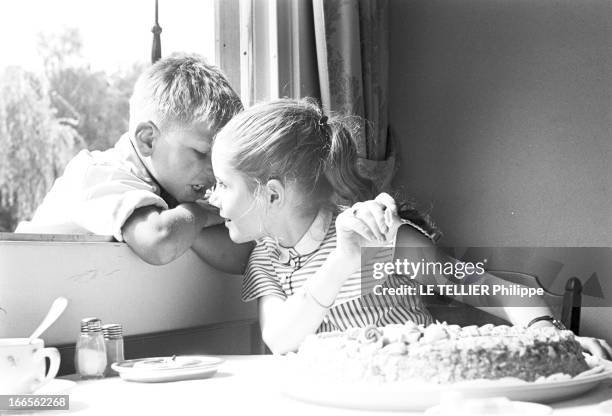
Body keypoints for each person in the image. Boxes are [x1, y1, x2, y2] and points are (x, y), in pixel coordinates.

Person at [209, 97, 612, 358]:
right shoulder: (265, 260)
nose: (213, 197)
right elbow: (281, 340)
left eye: (224, 185)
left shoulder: (378, 235)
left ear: (273, 196)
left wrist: (555, 336)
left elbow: (492, 291)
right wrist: (342, 262)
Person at [16, 53, 252, 272]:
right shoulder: (98, 172)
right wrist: (201, 214)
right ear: (148, 140)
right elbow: (158, 242)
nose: (214, 169)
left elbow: (243, 257)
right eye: (201, 152)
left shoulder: (175, 187)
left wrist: (193, 223)